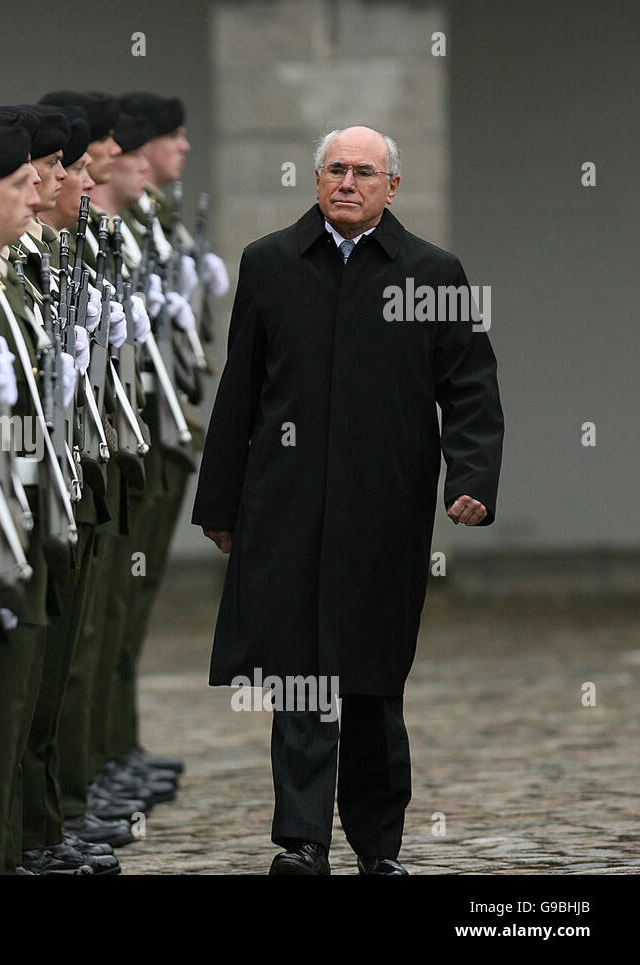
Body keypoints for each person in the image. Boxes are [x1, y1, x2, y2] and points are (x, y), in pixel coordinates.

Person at [191, 125, 504, 875]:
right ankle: (301, 841)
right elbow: (241, 388)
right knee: (299, 670)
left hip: (383, 510)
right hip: (287, 505)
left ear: (392, 186)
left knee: (369, 680)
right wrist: (222, 502)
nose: (348, 183)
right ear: (315, 178)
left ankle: (377, 845)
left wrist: (471, 480)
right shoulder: (270, 263)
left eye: (365, 172)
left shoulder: (431, 272)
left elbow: (469, 387)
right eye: (336, 169)